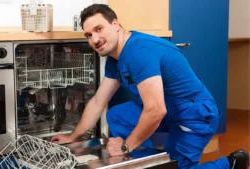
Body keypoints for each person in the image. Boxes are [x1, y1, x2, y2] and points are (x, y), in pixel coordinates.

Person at [50, 4, 249, 169]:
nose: (94, 39)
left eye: (99, 29)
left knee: (173, 167)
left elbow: (155, 110)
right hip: (168, 109)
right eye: (88, 35)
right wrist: (73, 137)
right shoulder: (115, 59)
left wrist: (126, 147)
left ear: (116, 24)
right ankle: (145, 161)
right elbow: (98, 101)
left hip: (193, 114)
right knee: (117, 115)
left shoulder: (138, 51)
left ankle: (230, 163)